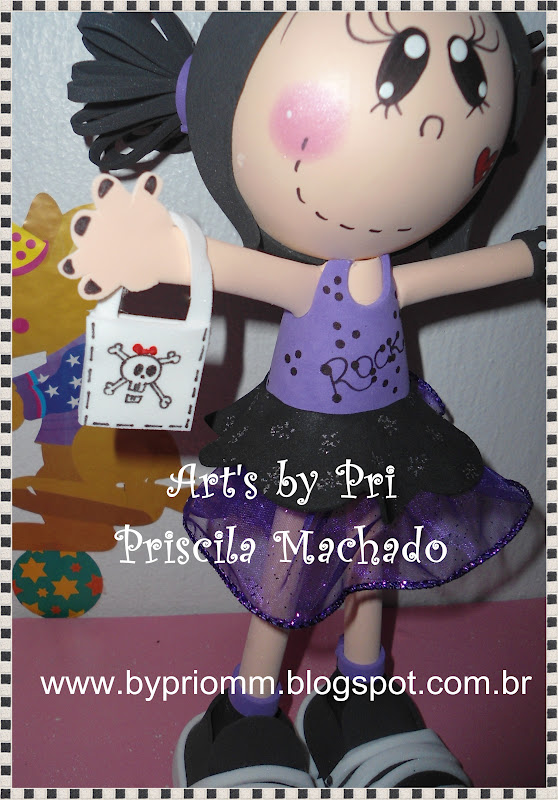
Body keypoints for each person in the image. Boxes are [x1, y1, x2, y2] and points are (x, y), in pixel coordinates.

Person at [63, 11, 545, 788]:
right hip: (302, 440)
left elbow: (470, 269)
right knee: (286, 570)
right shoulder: (307, 279)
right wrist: (150, 250)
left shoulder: (390, 274)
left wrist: (530, 255)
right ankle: (248, 712)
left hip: (390, 432)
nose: (430, 124)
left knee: (376, 555)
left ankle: (361, 690)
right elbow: (212, 263)